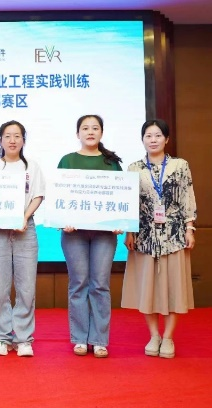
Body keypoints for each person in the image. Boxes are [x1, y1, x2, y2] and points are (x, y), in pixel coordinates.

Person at [121, 119, 196, 359]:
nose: (153, 140)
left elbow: (187, 197)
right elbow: (129, 203)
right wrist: (129, 231)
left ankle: (169, 337)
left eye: (157, 135)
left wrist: (190, 228)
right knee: (148, 287)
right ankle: (154, 335)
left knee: (174, 286)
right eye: (148, 136)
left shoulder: (180, 165)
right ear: (142, 139)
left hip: (174, 235)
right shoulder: (134, 168)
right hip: (144, 236)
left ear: (167, 139)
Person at [58, 114, 123, 358]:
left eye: (95, 128)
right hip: (73, 233)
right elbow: (59, 195)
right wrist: (63, 220)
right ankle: (79, 338)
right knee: (78, 283)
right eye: (85, 128)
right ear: (78, 134)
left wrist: (120, 221)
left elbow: (121, 196)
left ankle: (99, 339)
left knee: (100, 284)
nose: (90, 132)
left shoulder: (111, 163)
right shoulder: (67, 160)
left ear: (101, 133)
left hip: (105, 233)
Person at [0, 120, 45, 357]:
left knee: (26, 289)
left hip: (25, 230)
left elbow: (38, 196)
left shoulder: (32, 167)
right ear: (0, 140)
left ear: (24, 140)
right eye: (7, 136)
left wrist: (24, 217)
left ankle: (24, 338)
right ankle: (1, 337)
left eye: (17, 136)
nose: (12, 140)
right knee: (0, 289)